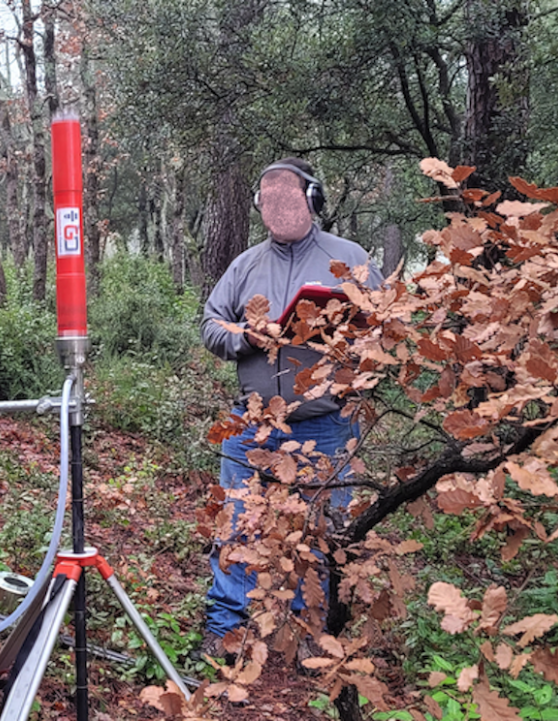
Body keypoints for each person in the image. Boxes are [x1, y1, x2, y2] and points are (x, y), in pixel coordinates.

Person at [198, 157, 380, 667]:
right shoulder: (245, 264)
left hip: (326, 422)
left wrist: (349, 335)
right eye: (268, 199)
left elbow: (385, 327)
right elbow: (211, 323)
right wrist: (244, 337)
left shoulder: (349, 257)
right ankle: (225, 628)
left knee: (318, 530)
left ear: (313, 199)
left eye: (287, 197)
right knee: (237, 524)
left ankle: (307, 631)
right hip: (253, 421)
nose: (277, 207)